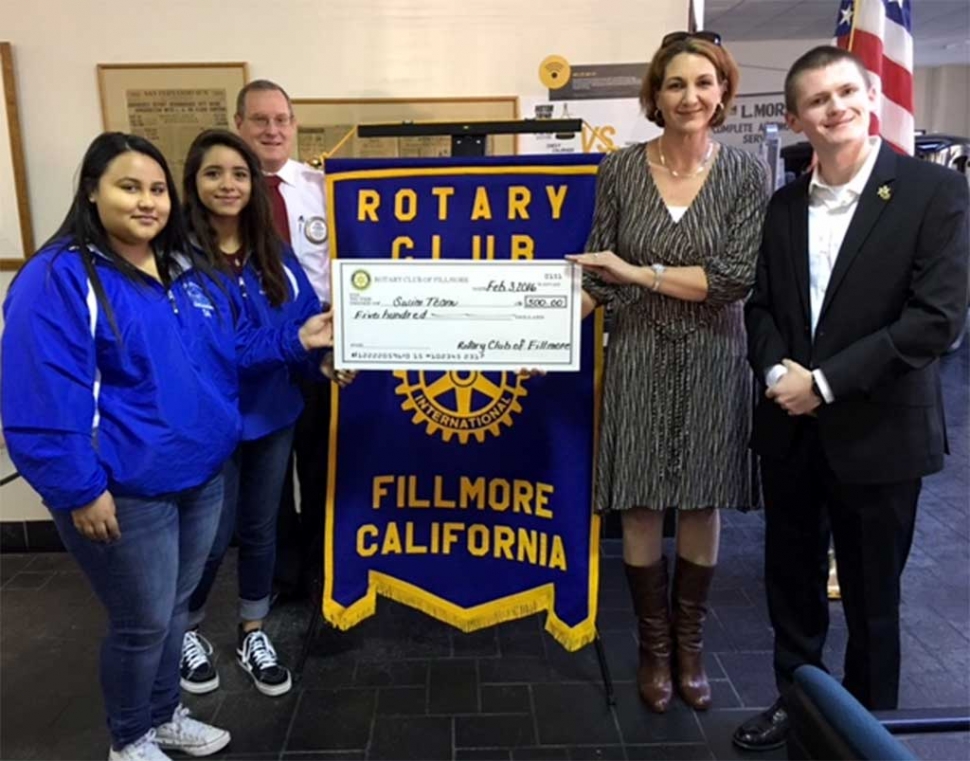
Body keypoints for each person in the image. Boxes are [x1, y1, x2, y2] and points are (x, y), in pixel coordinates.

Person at [0, 132, 333, 761]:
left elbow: (230, 352)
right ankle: (129, 740)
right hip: (125, 488)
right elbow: (42, 396)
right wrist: (79, 488)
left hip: (200, 473)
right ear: (92, 191)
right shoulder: (61, 278)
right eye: (129, 187)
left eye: (155, 189)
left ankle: (164, 714)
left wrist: (300, 339)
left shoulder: (184, 266)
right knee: (143, 622)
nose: (147, 201)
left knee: (174, 614)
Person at [734, 46, 969, 751]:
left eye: (845, 92)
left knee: (873, 601)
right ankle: (796, 699)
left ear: (869, 95)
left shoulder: (933, 191)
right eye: (816, 99)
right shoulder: (781, 204)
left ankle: (866, 728)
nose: (834, 107)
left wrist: (825, 384)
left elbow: (936, 320)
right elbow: (763, 305)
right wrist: (779, 375)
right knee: (793, 587)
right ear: (795, 118)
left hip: (880, 433)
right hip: (791, 429)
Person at [567, 31, 768, 713]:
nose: (690, 96)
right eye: (676, 84)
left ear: (722, 92)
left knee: (704, 500)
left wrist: (642, 271)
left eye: (704, 83)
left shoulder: (744, 174)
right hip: (638, 356)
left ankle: (691, 645)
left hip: (716, 355)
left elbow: (734, 279)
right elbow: (603, 276)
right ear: (654, 94)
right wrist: (540, 328)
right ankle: (654, 647)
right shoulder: (620, 169)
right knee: (643, 499)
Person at [177, 129, 355, 698]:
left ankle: (253, 629)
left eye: (238, 174)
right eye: (213, 173)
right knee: (208, 536)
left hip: (273, 415)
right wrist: (297, 344)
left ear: (254, 184)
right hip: (211, 421)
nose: (227, 185)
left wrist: (324, 364)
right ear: (193, 182)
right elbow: (217, 349)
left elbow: (303, 318)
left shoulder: (272, 249)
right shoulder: (174, 255)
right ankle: (186, 629)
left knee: (259, 531)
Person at [234, 79, 332, 599]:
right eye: (260, 120)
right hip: (254, 353)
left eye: (281, 120)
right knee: (266, 478)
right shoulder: (224, 195)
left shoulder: (324, 187)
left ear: (294, 126)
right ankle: (278, 576)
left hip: (316, 348)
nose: (272, 130)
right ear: (239, 126)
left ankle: (319, 570)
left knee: (319, 465)